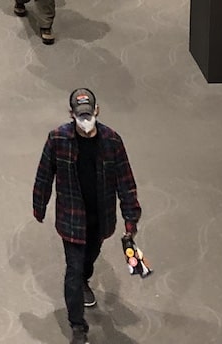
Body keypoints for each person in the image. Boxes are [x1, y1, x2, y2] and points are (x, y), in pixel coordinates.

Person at [33, 88, 142, 344]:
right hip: (71, 219)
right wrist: (40, 205)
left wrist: (131, 219)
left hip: (101, 218)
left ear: (97, 110)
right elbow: (44, 174)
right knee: (73, 269)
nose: (85, 119)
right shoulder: (57, 139)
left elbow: (126, 182)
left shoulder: (112, 141)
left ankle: (84, 279)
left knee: (89, 259)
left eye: (89, 113)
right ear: (71, 114)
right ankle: (78, 328)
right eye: (80, 115)